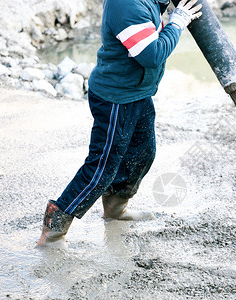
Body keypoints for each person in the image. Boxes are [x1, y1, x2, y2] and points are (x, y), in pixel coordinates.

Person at [37, 0, 202, 247]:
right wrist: (177, 22)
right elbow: (152, 55)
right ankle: (54, 230)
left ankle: (115, 208)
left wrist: (167, 7)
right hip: (115, 99)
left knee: (143, 153)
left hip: (137, 93)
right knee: (102, 168)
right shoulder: (126, 4)